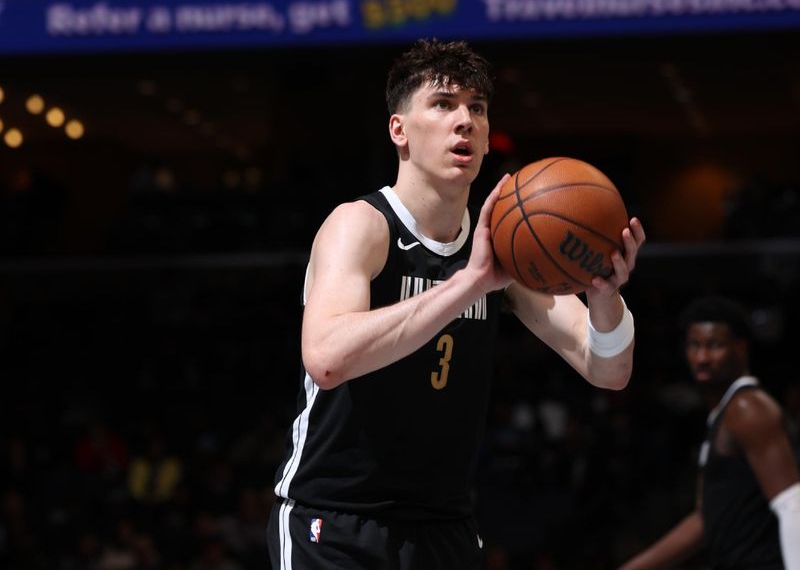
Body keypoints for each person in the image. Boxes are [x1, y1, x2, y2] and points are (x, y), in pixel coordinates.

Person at [267, 38, 646, 569]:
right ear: (400, 129)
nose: (463, 119)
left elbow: (609, 370)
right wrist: (469, 284)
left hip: (445, 527)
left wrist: (605, 300)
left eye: (477, 108)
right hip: (335, 521)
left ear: (489, 138)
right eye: (443, 104)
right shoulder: (361, 226)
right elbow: (327, 358)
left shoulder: (510, 246)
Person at [619, 296, 800, 570]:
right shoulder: (723, 414)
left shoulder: (747, 407)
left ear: (741, 347)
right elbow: (706, 519)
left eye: (714, 345)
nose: (702, 357)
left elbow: (792, 505)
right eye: (695, 345)